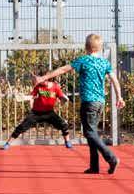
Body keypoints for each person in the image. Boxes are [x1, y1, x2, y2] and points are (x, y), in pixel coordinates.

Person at [35, 33, 124, 174]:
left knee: (88, 132)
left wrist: (44, 77)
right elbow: (114, 80)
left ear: (86, 47)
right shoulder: (104, 63)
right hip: (100, 102)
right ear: (100, 48)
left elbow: (64, 69)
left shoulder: (83, 60)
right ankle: (94, 166)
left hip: (89, 102)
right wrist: (119, 97)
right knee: (92, 132)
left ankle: (111, 157)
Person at [1, 72, 73, 150]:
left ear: (47, 78)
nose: (38, 80)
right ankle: (8, 143)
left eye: (40, 78)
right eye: (38, 79)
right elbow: (31, 96)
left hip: (49, 113)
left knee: (64, 125)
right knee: (21, 127)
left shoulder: (55, 87)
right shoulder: (38, 87)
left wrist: (64, 100)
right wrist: (22, 97)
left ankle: (67, 142)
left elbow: (61, 99)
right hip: (36, 113)